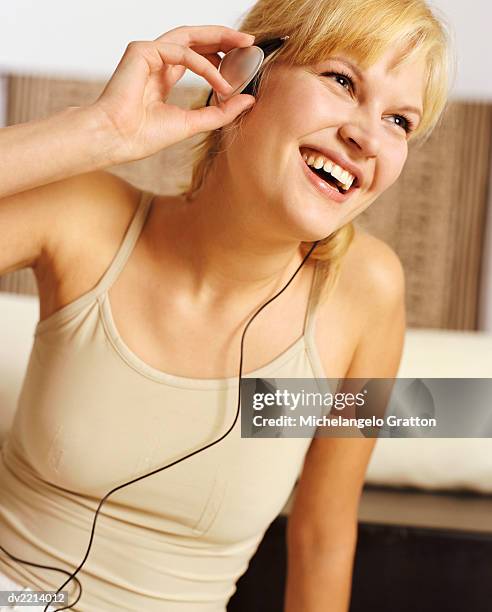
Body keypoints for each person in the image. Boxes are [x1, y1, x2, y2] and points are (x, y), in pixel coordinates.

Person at [0, 0, 451, 610]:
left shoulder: (365, 293)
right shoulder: (88, 218)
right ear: (245, 71)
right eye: (342, 81)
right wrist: (100, 130)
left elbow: (322, 538)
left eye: (400, 121)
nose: (367, 137)